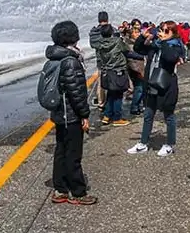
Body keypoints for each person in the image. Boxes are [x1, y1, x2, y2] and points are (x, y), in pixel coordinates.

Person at [46, 20, 98, 205]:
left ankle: (60, 189)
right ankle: (78, 192)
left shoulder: (55, 57)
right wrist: (84, 115)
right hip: (71, 115)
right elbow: (76, 93)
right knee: (73, 154)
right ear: (73, 38)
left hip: (60, 114)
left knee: (61, 150)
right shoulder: (71, 61)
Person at [127, 21, 184, 157]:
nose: (162, 33)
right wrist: (143, 37)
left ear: (173, 33)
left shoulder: (175, 45)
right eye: (161, 30)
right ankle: (143, 143)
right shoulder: (156, 45)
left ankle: (169, 144)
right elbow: (138, 49)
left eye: (166, 31)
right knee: (148, 114)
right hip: (152, 84)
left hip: (167, 85)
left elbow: (170, 57)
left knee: (168, 116)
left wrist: (163, 42)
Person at [94, 23, 131, 126]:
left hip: (107, 71)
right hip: (118, 70)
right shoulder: (117, 41)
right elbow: (126, 49)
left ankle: (107, 116)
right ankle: (117, 118)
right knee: (118, 95)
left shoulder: (99, 43)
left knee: (111, 94)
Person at [89, 11, 112, 111]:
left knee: (101, 81)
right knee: (112, 81)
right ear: (107, 19)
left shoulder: (93, 32)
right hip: (112, 59)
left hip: (100, 59)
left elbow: (93, 45)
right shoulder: (112, 29)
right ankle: (110, 102)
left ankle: (100, 103)